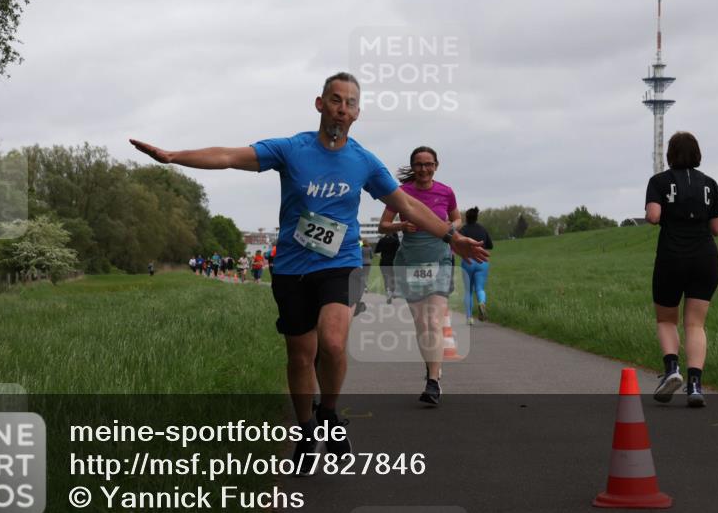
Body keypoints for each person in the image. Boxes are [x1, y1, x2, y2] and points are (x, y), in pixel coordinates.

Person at [130, 72, 488, 466]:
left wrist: (449, 236)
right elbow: (230, 156)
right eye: (335, 100)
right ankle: (305, 432)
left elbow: (408, 206)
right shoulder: (291, 149)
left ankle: (330, 411)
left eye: (350, 103)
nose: (342, 108)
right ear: (320, 105)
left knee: (333, 343)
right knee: (301, 356)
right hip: (292, 267)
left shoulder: (363, 161)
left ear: (357, 114)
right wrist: (172, 157)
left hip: (341, 262)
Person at [645, 131, 718, 408]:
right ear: (697, 154)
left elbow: (654, 217)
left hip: (671, 256)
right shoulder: (710, 184)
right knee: (695, 324)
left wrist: (654, 212)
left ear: (669, 155)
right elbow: (717, 229)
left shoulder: (659, 181)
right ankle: (695, 385)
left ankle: (671, 369)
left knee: (667, 320)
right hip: (704, 257)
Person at [378, 146, 462, 406]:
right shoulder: (401, 193)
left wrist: (448, 227)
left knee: (434, 321)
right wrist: (402, 225)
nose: (423, 169)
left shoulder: (445, 191)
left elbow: (457, 219)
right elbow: (383, 225)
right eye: (418, 164)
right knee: (422, 324)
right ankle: (432, 366)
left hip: (439, 258)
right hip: (411, 261)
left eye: (428, 164)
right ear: (412, 167)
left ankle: (433, 382)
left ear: (436, 165)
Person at [459, 207, 493, 325]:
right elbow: (490, 245)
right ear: (476, 217)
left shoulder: (463, 230)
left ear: (466, 218)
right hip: (482, 262)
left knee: (468, 291)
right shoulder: (482, 229)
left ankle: (469, 318)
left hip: (468, 261)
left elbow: (457, 243)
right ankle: (482, 303)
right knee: (480, 288)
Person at [374, 231, 400, 303]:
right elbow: (399, 251)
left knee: (385, 278)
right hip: (393, 262)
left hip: (384, 262)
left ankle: (387, 290)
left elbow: (377, 251)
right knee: (392, 277)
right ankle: (392, 291)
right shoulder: (396, 241)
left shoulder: (382, 240)